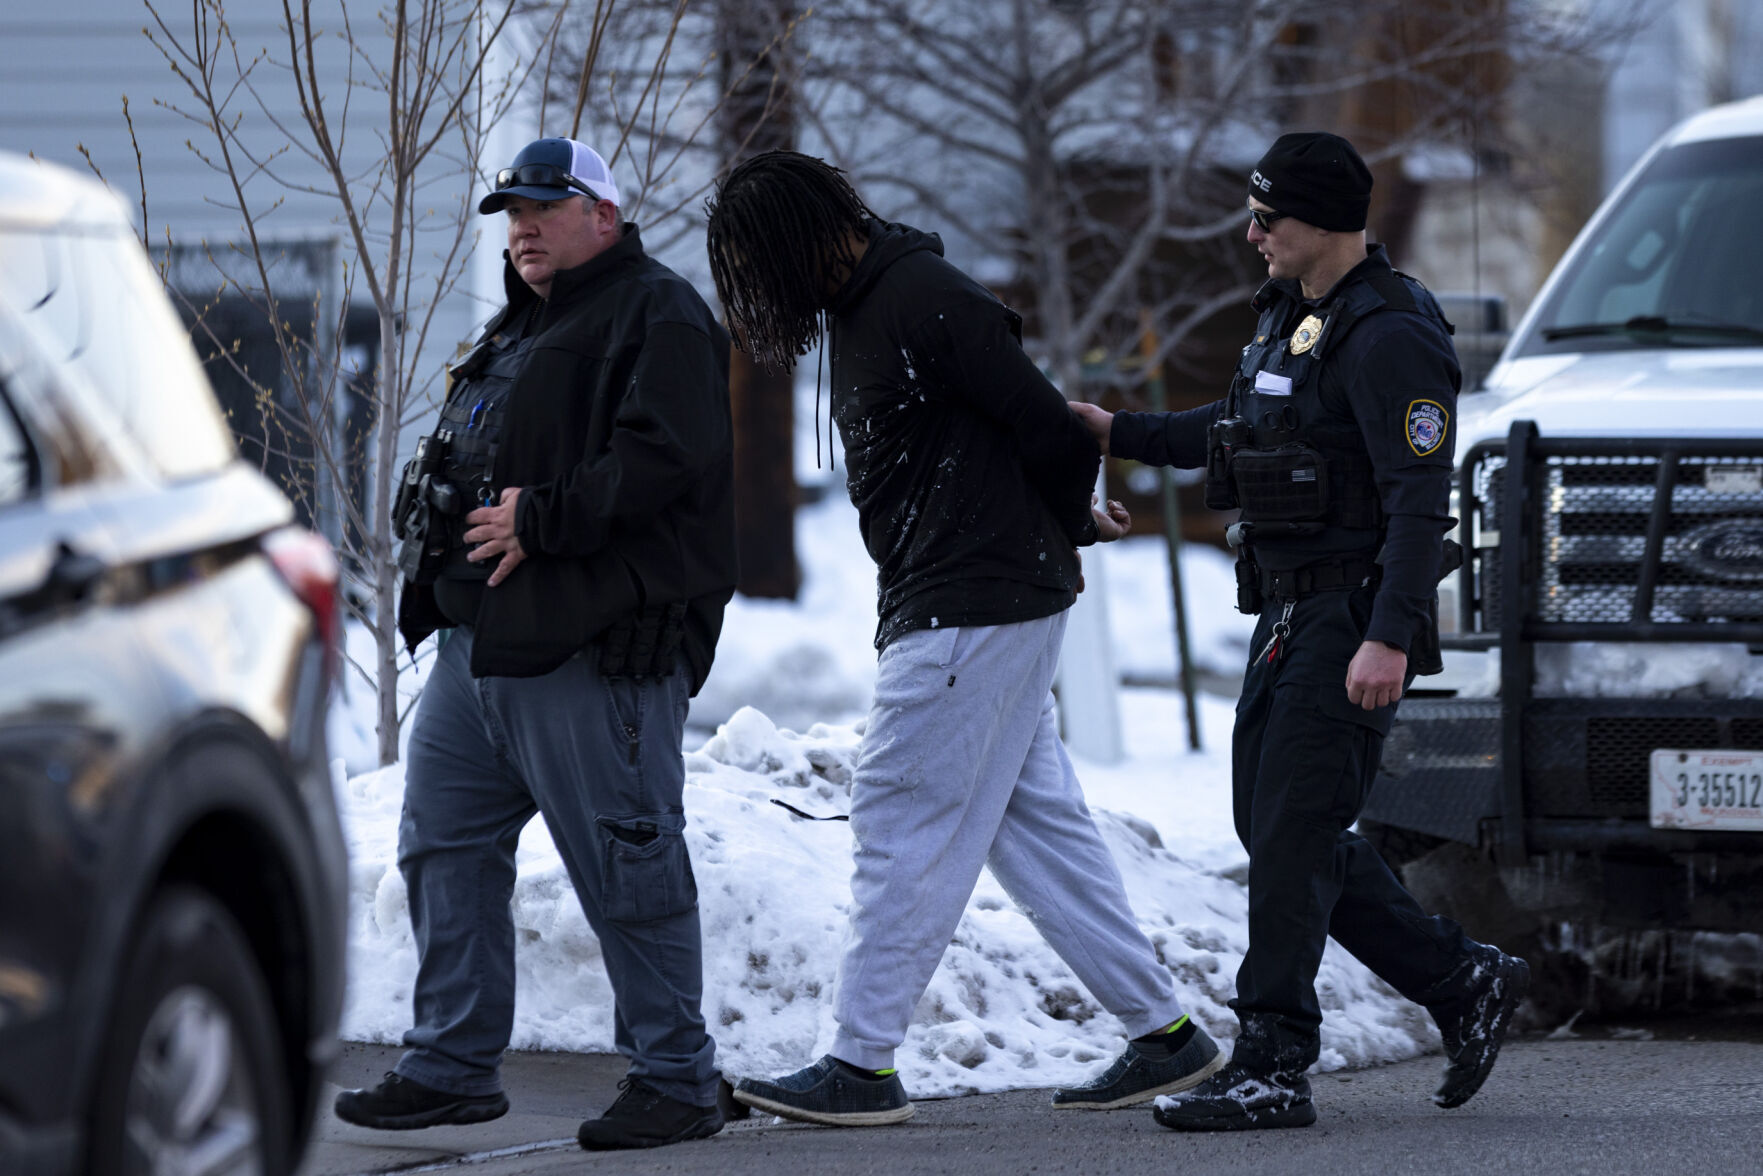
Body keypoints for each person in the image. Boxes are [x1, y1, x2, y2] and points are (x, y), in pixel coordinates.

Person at [703, 150, 1225, 1128]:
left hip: (968, 600)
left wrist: (1070, 512)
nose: (757, 290)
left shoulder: (924, 297)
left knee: (897, 811)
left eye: (758, 263)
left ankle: (860, 1063)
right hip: (971, 591)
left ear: (808, 235)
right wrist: (1065, 525)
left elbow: (1053, 426)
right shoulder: (869, 307)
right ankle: (1165, 1035)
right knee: (1034, 828)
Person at [1070, 132, 1528, 1132]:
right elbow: (1232, 426)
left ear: (1319, 221)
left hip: (1352, 617)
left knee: (1290, 833)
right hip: (1284, 610)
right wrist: (1114, 430)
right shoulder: (1291, 316)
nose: (1250, 234)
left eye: (1266, 218)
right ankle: (1459, 981)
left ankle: (1273, 1061)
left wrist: (1389, 636)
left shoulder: (1391, 333)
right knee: (1280, 827)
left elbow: (1419, 502)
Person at [333, 137, 738, 1151]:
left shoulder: (659, 312)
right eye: (510, 212)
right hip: (479, 648)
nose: (521, 228)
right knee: (443, 850)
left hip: (590, 647)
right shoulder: (517, 330)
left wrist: (541, 520)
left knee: (625, 862)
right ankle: (451, 1064)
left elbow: (669, 463)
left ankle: (677, 1079)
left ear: (602, 212)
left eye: (542, 208)